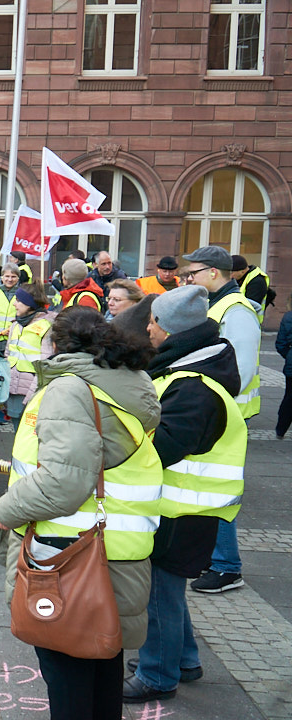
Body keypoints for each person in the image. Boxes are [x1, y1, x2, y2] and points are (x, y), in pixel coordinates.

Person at [0, 306, 163, 720]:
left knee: (68, 674)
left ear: (56, 344)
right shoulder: (124, 380)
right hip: (118, 546)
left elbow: (64, 483)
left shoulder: (71, 389)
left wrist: (6, 510)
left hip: (69, 549)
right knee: (101, 665)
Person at [122, 285, 247, 703]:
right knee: (168, 592)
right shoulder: (190, 372)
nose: (148, 328)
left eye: (154, 321)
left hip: (181, 511)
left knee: (159, 594)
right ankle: (184, 660)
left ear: (171, 329)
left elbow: (164, 447)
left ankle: (158, 675)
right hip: (180, 507)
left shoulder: (193, 385)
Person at [181, 245, 260, 594]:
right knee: (206, 486)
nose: (188, 278)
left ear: (213, 272)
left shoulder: (236, 309)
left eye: (193, 273)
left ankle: (227, 567)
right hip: (216, 410)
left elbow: (239, 368)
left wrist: (210, 402)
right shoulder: (218, 304)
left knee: (218, 489)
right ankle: (214, 559)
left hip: (226, 414)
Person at [5, 283, 53, 430]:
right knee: (17, 432)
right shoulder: (15, 325)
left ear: (30, 304)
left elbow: (46, 365)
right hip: (14, 389)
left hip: (32, 390)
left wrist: (32, 394)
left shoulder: (46, 327)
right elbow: (8, 355)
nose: (14, 304)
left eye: (19, 301)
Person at [230, 254, 272, 322]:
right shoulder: (240, 278)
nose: (230, 276)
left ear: (242, 271)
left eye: (231, 272)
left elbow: (250, 306)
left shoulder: (257, 281)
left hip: (250, 321)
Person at [277, 294, 292, 439]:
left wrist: (289, 356)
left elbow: (280, 344)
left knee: (289, 398)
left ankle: (281, 429)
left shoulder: (288, 317)